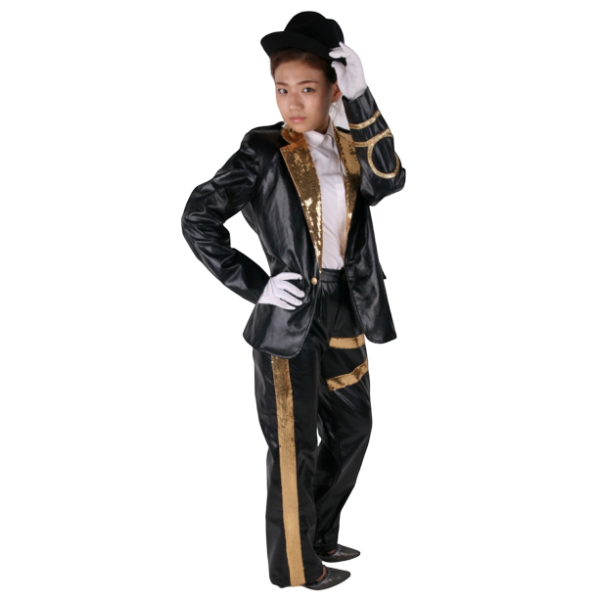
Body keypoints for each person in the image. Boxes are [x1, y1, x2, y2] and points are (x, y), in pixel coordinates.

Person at [180, 10, 406, 591]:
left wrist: (362, 97)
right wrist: (255, 284)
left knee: (354, 429)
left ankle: (321, 534)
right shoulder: (261, 147)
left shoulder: (352, 146)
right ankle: (297, 569)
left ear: (332, 90)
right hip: (288, 314)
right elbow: (198, 216)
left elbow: (390, 180)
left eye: (307, 88)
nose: (292, 102)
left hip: (347, 305)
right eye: (282, 89)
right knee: (293, 443)